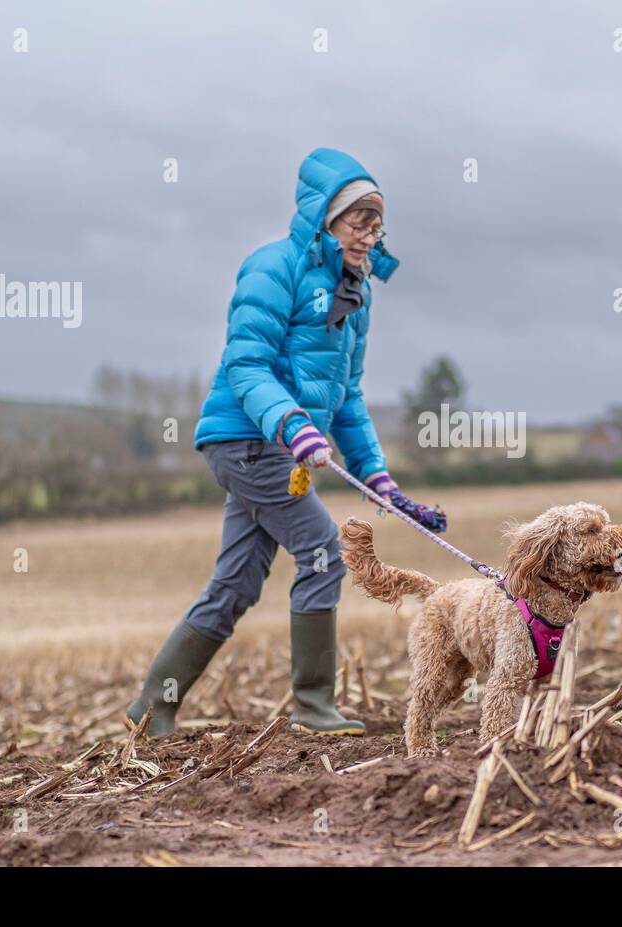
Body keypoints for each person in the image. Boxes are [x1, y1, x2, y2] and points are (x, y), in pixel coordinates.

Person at [127, 147, 440, 737]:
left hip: (277, 447)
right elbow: (247, 368)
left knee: (237, 583)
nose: (370, 235)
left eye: (378, 223)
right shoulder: (274, 267)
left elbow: (346, 396)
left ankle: (152, 706)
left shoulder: (358, 292)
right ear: (325, 216)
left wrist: (378, 477)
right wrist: (293, 425)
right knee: (323, 550)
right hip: (247, 439)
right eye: (359, 220)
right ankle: (314, 705)